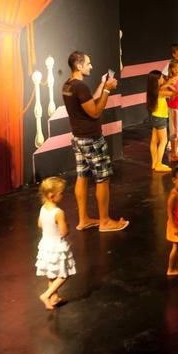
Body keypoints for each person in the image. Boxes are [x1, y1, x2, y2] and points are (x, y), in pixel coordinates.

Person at [62, 51, 128, 232]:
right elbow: (95, 111)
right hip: (91, 139)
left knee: (82, 176)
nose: (91, 66)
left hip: (78, 138)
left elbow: (88, 103)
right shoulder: (80, 87)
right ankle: (105, 221)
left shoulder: (68, 85)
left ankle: (84, 219)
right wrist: (107, 89)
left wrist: (101, 85)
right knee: (102, 178)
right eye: (88, 63)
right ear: (79, 66)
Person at [35, 177, 76, 310]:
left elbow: (40, 224)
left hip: (45, 246)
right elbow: (64, 232)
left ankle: (54, 298)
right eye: (62, 193)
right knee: (64, 274)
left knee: (51, 274)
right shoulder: (59, 213)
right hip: (57, 246)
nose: (63, 196)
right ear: (52, 196)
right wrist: (67, 226)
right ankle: (46, 295)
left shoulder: (43, 208)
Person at [145, 70, 174, 172]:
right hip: (160, 118)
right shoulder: (160, 92)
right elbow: (175, 93)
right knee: (163, 141)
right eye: (161, 77)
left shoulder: (152, 90)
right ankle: (159, 164)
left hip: (153, 117)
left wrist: (166, 83)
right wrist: (171, 84)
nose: (163, 79)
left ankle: (154, 163)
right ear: (157, 80)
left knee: (154, 140)